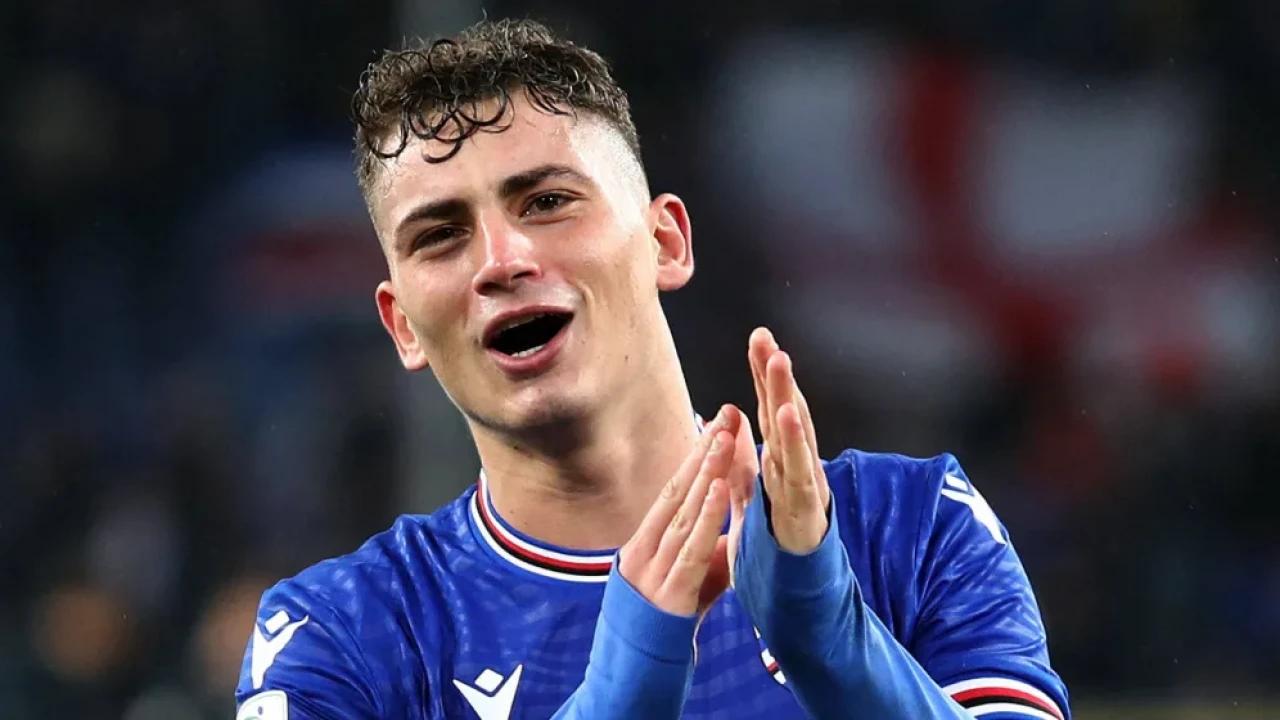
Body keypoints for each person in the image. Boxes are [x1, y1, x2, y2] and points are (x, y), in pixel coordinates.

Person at [235, 18, 1069, 720]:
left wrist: (838, 648)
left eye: (547, 202)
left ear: (666, 241)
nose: (501, 259)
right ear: (402, 325)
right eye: (440, 236)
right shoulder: (342, 636)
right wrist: (619, 692)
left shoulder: (912, 527)